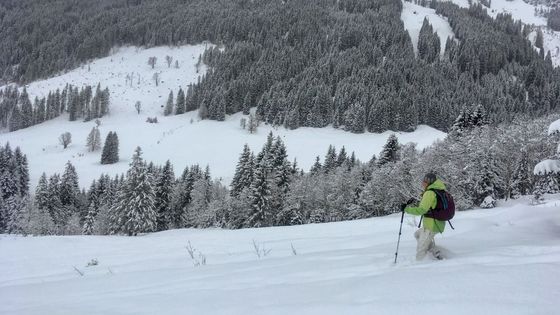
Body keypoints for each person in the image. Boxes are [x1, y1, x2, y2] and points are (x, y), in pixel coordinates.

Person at [403, 172, 446, 260]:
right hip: (436, 223)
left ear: (429, 182)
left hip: (432, 225)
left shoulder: (430, 193)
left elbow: (421, 210)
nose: (422, 183)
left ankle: (422, 267)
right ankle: (435, 253)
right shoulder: (438, 190)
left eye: (424, 181)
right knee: (417, 234)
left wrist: (406, 209)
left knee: (420, 251)